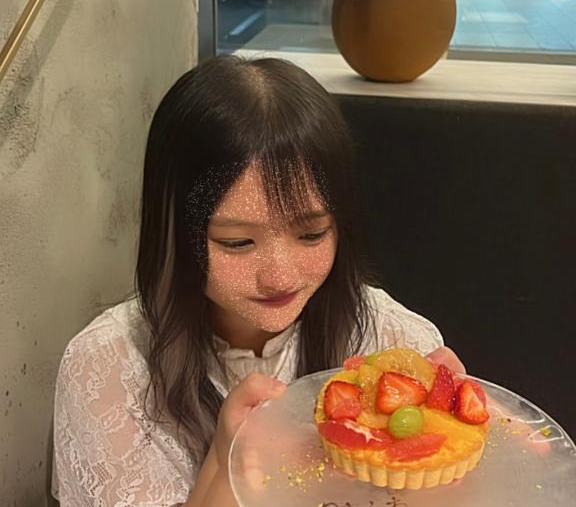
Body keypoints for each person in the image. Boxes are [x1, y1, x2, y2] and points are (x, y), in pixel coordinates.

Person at [52, 55, 463, 507]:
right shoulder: (107, 369)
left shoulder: (395, 341)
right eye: (238, 242)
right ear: (174, 234)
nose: (280, 276)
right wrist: (226, 462)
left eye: (311, 234)